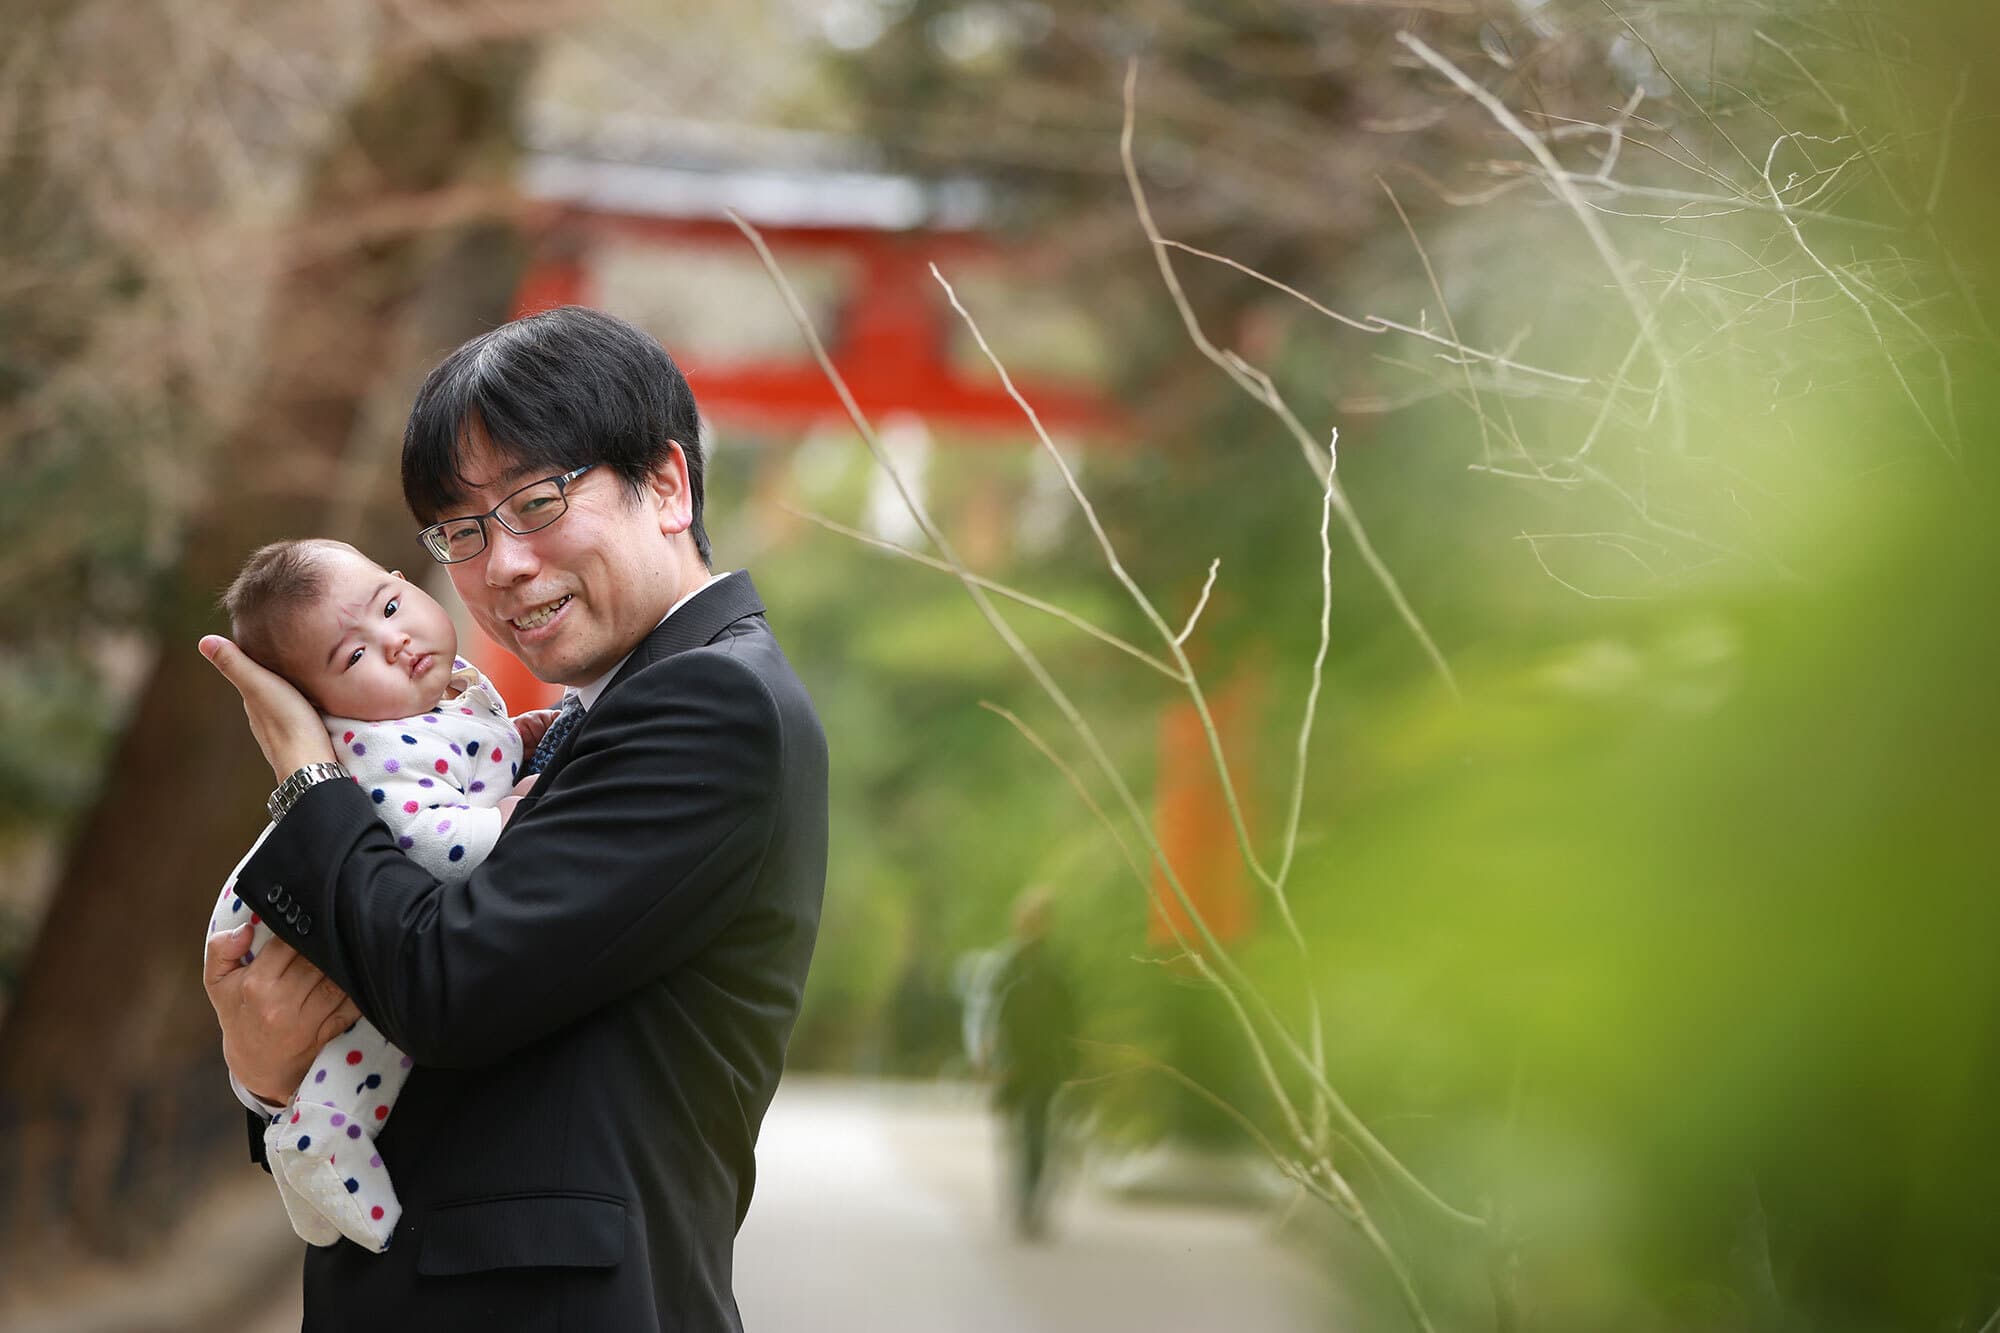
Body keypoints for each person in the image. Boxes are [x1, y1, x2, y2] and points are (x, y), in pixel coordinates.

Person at [198, 306, 829, 1331]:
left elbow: (448, 985)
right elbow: (413, 1024)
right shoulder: (575, 719)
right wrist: (263, 1076)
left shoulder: (710, 702)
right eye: (462, 531)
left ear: (665, 485)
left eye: (537, 502)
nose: (502, 567)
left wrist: (310, 777)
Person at [206, 538, 545, 1253]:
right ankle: (317, 1132)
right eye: (352, 657)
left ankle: (305, 1139)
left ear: (403, 582)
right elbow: (438, 842)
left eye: (390, 607)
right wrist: (513, 815)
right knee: (373, 1030)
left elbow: (466, 762)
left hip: (351, 902)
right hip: (297, 921)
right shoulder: (375, 747)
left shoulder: (441, 694)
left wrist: (520, 739)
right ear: (315, 704)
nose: (393, 642)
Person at [984, 887, 1078, 1239]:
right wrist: (991, 1056)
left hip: (1044, 1064)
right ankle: (1023, 1202)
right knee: (1019, 1135)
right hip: (1016, 1063)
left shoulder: (1055, 968)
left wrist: (1071, 1063)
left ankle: (1032, 1204)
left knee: (1036, 1134)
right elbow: (995, 1016)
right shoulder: (1010, 966)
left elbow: (1069, 1020)